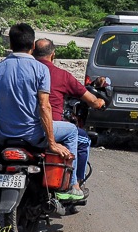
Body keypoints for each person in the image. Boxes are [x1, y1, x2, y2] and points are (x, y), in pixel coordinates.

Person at [0, 23, 85, 201]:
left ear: (11, 45)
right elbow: (44, 107)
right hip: (33, 135)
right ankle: (73, 185)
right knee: (73, 131)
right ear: (33, 45)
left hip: (3, 136)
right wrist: (51, 142)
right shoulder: (40, 69)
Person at [33, 38, 104, 187]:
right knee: (82, 139)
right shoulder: (61, 75)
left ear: (33, 52)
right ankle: (75, 183)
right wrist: (100, 102)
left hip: (18, 128)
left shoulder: (25, 72)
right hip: (48, 128)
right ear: (53, 55)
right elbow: (92, 101)